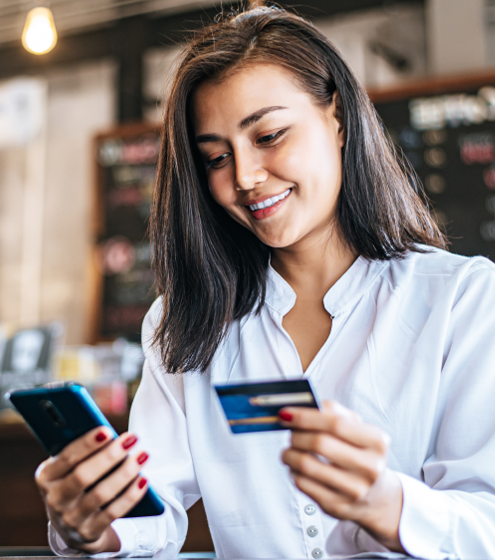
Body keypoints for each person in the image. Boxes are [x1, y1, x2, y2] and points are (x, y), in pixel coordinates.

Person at [36, 7, 495, 559]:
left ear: (339, 118)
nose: (246, 177)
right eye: (216, 157)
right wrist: (93, 525)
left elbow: (485, 522)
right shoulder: (183, 321)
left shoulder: (462, 300)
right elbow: (151, 510)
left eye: (270, 135)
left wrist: (390, 505)